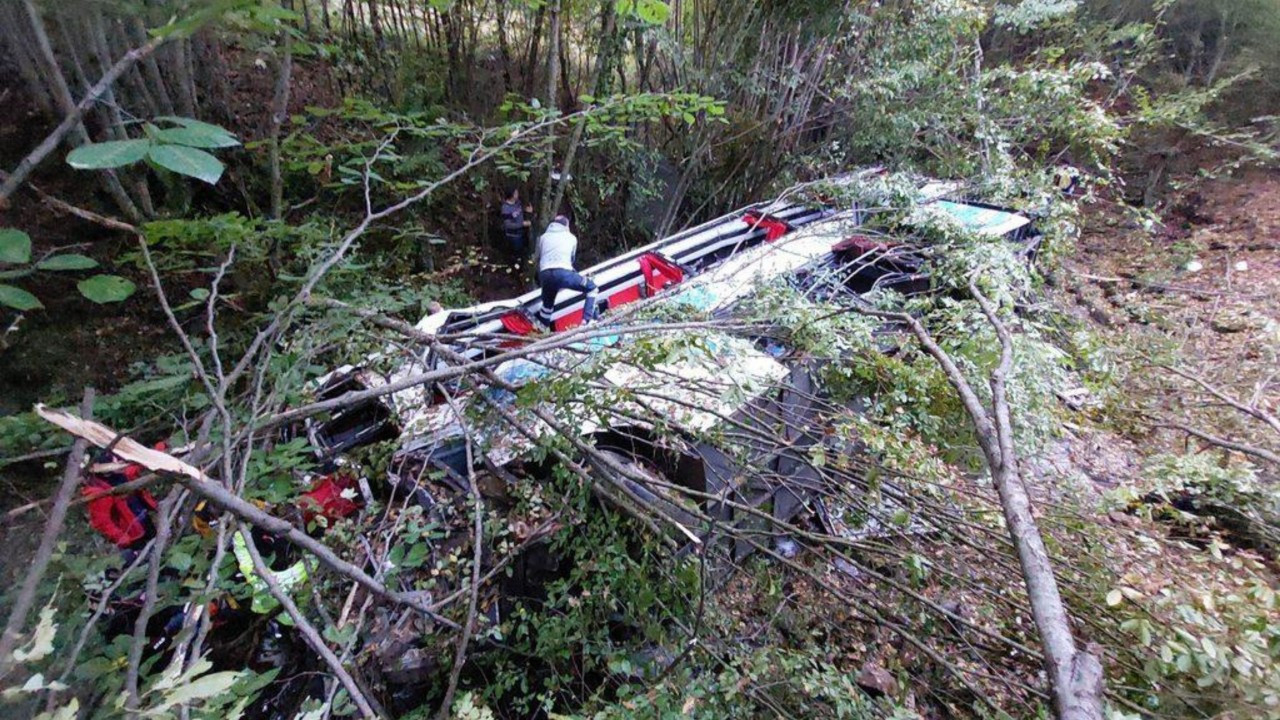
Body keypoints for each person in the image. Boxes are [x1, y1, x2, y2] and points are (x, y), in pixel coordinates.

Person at [535, 213, 598, 327]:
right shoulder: (571, 238)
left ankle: (542, 330)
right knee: (592, 288)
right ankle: (586, 321)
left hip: (545, 274)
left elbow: (540, 256)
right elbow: (571, 260)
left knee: (547, 306)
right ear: (566, 226)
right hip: (563, 273)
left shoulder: (543, 238)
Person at [500, 186, 533, 259]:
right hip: (513, 236)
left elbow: (520, 211)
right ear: (511, 195)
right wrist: (522, 224)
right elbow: (508, 225)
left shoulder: (518, 203)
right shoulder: (505, 208)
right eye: (516, 193)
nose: (517, 194)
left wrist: (527, 210)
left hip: (521, 233)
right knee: (516, 254)